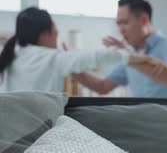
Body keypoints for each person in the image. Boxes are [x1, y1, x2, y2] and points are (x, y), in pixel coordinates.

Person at [0, 7, 151, 93]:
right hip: (40, 131)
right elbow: (96, 57)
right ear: (43, 34)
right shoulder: (53, 57)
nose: (57, 33)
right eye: (54, 29)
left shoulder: (11, 56)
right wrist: (130, 55)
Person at [74, 0, 167, 98]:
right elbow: (103, 86)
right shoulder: (129, 54)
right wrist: (71, 67)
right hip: (145, 120)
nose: (121, 30)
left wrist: (132, 58)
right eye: (119, 25)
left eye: (125, 23)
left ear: (144, 20)